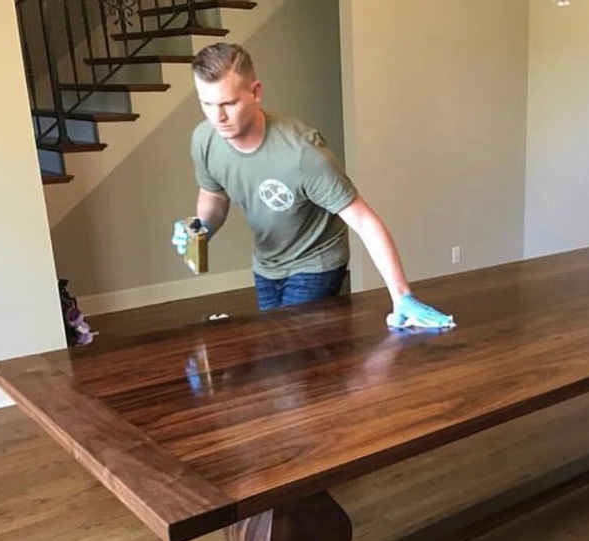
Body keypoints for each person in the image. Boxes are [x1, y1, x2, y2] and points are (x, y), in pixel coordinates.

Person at [172, 43, 454, 329]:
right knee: (277, 352)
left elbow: (364, 220)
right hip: (267, 264)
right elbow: (213, 195)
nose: (217, 117)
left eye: (228, 104)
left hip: (315, 261)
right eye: (207, 104)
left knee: (290, 354)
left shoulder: (302, 153)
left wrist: (402, 296)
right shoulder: (203, 140)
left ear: (256, 92)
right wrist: (202, 227)